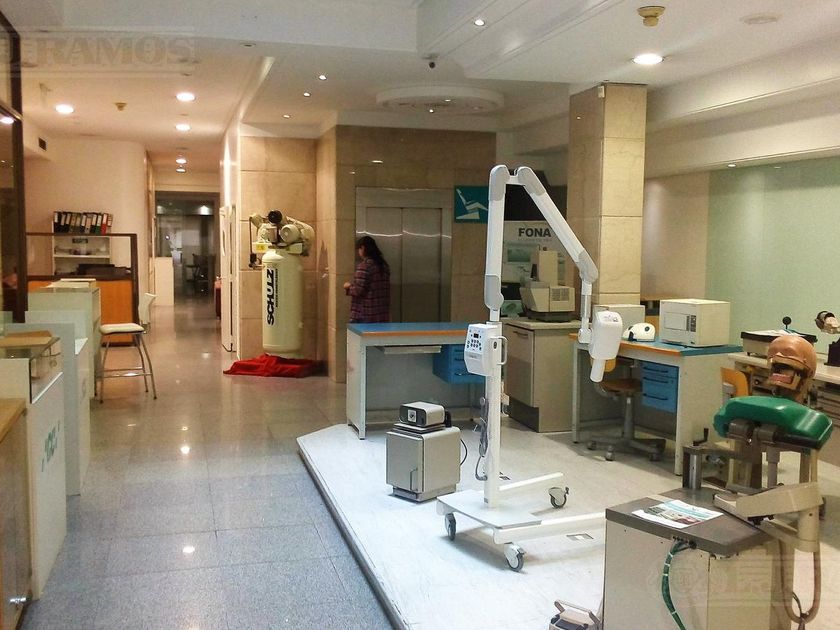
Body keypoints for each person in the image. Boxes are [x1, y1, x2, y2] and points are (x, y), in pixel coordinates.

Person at [343, 235, 390, 323]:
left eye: (359, 249)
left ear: (363, 248)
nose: (358, 252)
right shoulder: (384, 266)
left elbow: (359, 290)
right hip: (381, 314)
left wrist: (348, 287)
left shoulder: (364, 266)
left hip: (365, 314)